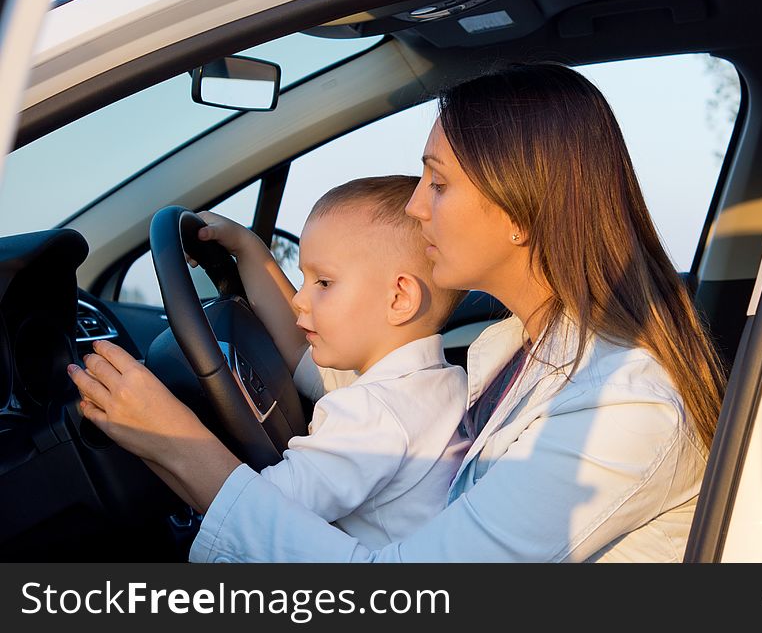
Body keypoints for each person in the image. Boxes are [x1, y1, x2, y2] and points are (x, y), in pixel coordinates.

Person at [68, 62, 726, 563]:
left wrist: (179, 443)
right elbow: (331, 371)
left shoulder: (620, 406)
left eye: (437, 184)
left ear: (521, 211)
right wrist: (252, 258)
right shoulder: (520, 348)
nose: (416, 208)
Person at [93, 175, 471, 549]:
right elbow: (295, 350)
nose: (299, 301)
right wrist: (249, 250)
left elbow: (256, 512)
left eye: (323, 283)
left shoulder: (374, 413)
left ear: (399, 299)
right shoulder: (429, 384)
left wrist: (159, 428)